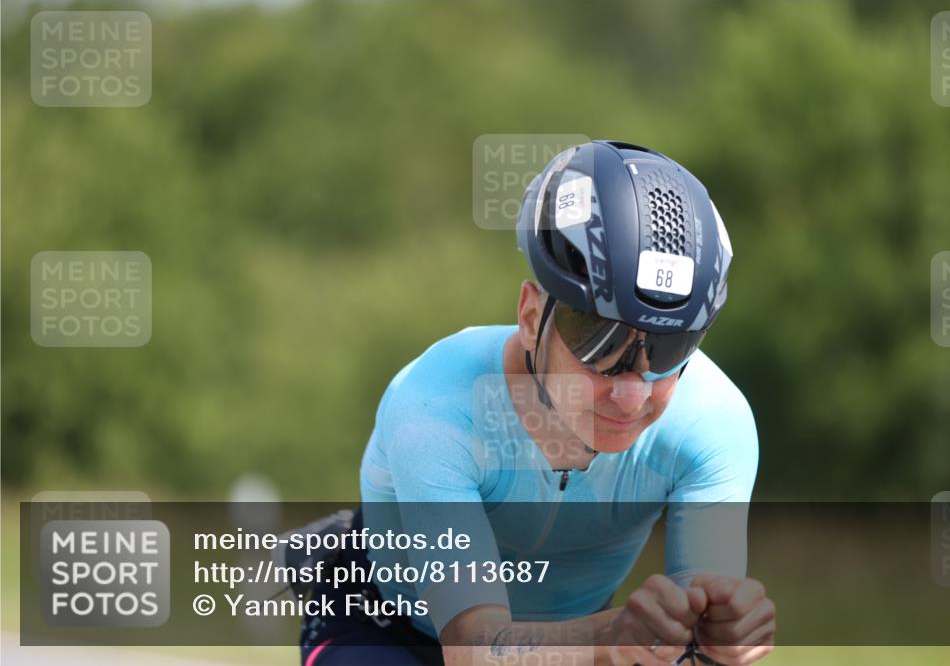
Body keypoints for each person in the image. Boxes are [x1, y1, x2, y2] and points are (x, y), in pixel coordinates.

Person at [300, 140, 775, 666]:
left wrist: (716, 642)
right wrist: (613, 636)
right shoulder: (437, 406)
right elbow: (472, 648)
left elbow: (697, 643)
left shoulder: (713, 421)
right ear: (531, 318)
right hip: (392, 632)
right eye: (600, 339)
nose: (631, 391)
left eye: (669, 347)